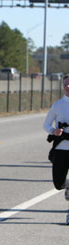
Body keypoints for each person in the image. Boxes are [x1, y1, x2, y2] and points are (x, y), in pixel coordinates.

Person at [43, 74, 69, 224]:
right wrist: (53, 131)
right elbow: (46, 124)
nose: (68, 86)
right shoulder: (58, 105)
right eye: (65, 84)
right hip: (60, 149)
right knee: (58, 183)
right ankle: (67, 186)